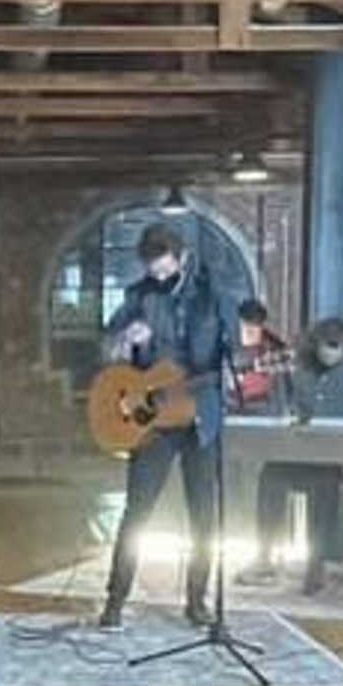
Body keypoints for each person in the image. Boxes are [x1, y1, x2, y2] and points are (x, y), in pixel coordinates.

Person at [93, 223, 243, 630]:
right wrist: (126, 337)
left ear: (182, 258)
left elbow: (235, 356)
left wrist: (235, 373)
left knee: (204, 515)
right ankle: (115, 601)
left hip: (201, 415)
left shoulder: (213, 298)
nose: (158, 276)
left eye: (163, 268)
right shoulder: (137, 296)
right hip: (152, 419)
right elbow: (107, 349)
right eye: (152, 269)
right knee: (137, 510)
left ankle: (197, 601)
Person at [248, 317, 343, 597]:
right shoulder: (299, 368)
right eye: (324, 347)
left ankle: (316, 562)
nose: (328, 353)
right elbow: (281, 405)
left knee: (324, 489)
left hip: (337, 460)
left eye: (334, 348)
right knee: (270, 478)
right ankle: (265, 555)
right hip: (298, 453)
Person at [225, 298, 285, 414]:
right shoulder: (223, 344)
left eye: (255, 324)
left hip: (262, 410)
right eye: (245, 324)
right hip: (228, 408)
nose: (250, 330)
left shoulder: (275, 349)